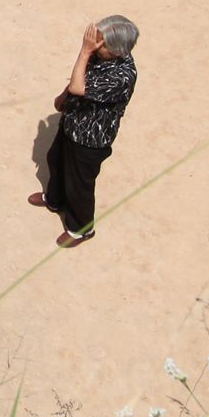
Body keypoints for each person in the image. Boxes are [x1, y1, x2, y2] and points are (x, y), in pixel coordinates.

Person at [30, 15, 137, 245]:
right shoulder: (99, 55)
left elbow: (79, 87)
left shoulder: (122, 76)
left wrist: (85, 51)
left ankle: (81, 229)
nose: (95, 46)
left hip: (90, 139)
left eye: (101, 44)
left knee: (79, 185)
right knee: (55, 160)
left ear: (117, 49)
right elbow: (80, 76)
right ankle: (55, 199)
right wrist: (62, 96)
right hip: (72, 121)